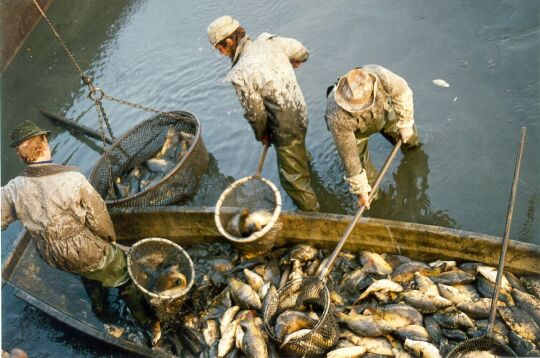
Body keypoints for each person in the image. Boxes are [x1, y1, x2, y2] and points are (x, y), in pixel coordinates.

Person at [1, 121, 157, 344]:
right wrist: (110, 240)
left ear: (21, 156)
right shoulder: (73, 179)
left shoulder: (13, 188)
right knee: (123, 274)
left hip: (52, 255)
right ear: (44, 143)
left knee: (87, 272)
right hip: (85, 250)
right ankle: (147, 324)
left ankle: (102, 311)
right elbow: (100, 219)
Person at [207, 15, 320, 212]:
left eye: (221, 48)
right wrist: (294, 60)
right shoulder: (269, 41)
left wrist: (261, 134)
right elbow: (301, 51)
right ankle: (308, 169)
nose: (222, 53)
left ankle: (316, 217)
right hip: (301, 111)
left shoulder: (240, 74)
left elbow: (255, 114)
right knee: (296, 152)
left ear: (230, 41)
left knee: (293, 182)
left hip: (284, 126)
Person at [325, 65, 420, 209]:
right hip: (356, 134)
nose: (360, 111)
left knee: (411, 140)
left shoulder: (381, 75)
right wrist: (360, 189)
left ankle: (413, 153)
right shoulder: (336, 117)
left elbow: (403, 92)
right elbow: (350, 158)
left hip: (384, 114)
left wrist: (405, 123)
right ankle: (378, 205)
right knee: (368, 189)